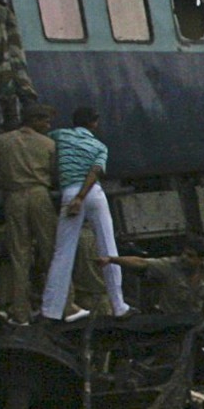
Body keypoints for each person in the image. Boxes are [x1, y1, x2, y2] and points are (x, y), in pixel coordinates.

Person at [39, 106, 129, 320]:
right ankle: (119, 306)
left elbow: (44, 143)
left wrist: (77, 197)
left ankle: (51, 309)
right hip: (95, 194)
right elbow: (95, 171)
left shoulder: (60, 136)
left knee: (63, 253)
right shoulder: (99, 146)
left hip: (70, 193)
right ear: (94, 123)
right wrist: (84, 195)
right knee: (109, 249)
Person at [0, 102, 59, 319]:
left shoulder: (2, 141)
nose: (48, 125)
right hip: (39, 195)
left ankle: (19, 310)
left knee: (19, 254)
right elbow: (56, 173)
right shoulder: (48, 143)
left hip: (14, 197)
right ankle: (59, 305)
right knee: (50, 249)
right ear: (33, 120)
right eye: (45, 120)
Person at [104, 233, 204, 318]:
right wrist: (112, 259)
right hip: (171, 321)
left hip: (194, 322)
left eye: (190, 256)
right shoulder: (169, 266)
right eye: (184, 253)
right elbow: (142, 262)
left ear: (201, 260)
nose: (184, 257)